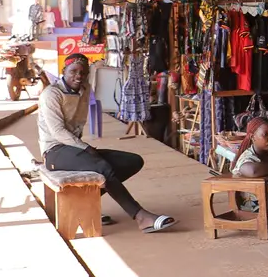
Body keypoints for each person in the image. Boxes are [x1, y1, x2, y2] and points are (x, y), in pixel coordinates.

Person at [38, 53, 176, 233]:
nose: (78, 76)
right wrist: (86, 148)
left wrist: (83, 149)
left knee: (132, 161)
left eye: (83, 72)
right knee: (102, 167)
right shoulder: (51, 94)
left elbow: (78, 124)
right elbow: (58, 132)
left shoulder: (85, 89)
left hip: (75, 149)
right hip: (55, 151)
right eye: (73, 71)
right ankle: (140, 216)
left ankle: (86, 203)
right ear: (63, 71)